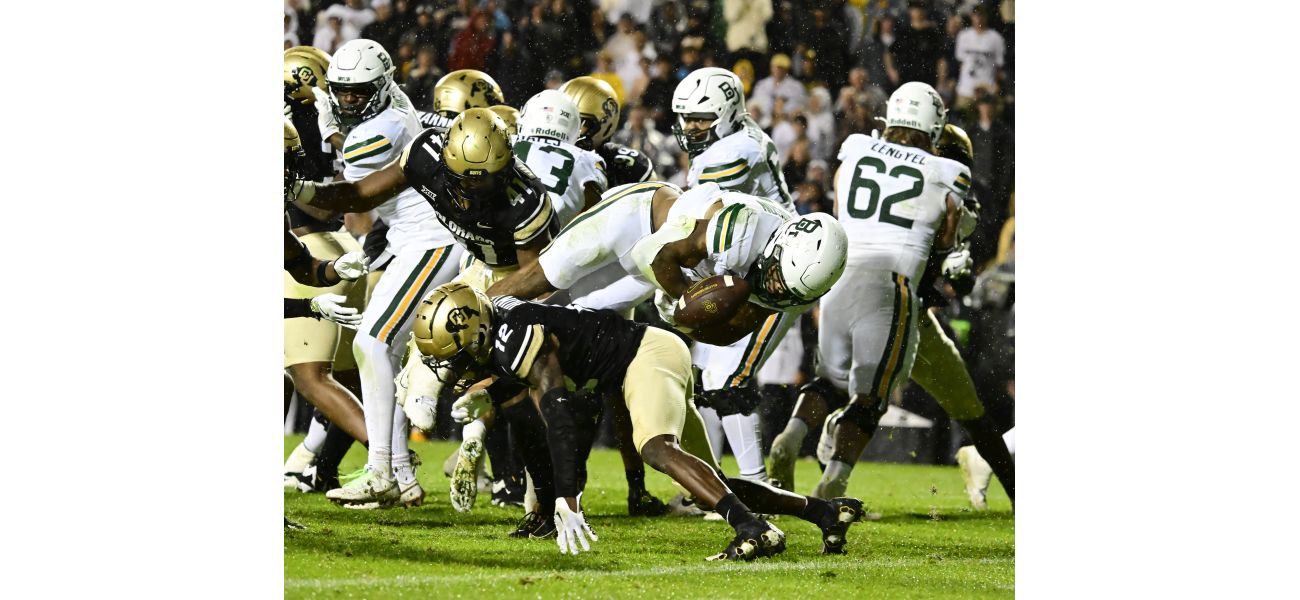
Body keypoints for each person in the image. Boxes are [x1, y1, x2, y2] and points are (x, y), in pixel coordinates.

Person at [414, 283, 868, 560]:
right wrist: (543, 507)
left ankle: (753, 529)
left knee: (656, 449)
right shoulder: (503, 332)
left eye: (452, 357)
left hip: (644, 356)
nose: (451, 369)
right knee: (709, 487)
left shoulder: (515, 335)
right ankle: (824, 512)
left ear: (473, 331)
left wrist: (568, 498)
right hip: (642, 358)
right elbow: (529, 417)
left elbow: (559, 414)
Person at [768, 123, 1014, 505]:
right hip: (902, 307)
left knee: (832, 383)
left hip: (849, 286)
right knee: (956, 409)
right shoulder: (941, 188)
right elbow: (954, 271)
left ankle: (810, 444)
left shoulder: (871, 164)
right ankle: (1016, 492)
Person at [287, 39, 464, 510]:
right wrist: (320, 98)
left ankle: (383, 469)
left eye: (356, 92)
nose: (348, 100)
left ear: (380, 87)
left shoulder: (380, 130)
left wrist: (297, 186)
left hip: (428, 240)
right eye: (341, 91)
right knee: (381, 351)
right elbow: (340, 119)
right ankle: (400, 475)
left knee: (371, 343)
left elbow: (353, 197)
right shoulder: (396, 101)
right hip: (414, 239)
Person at [801, 82, 965, 500]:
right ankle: (834, 478)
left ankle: (787, 442)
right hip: (892, 282)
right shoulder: (947, 172)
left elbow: (841, 210)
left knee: (827, 381)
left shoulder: (855, 149)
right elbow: (944, 243)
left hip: (840, 275)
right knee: (871, 396)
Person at [670, 67, 797, 483]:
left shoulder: (736, 150)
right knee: (707, 381)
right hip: (748, 271)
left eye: (702, 119)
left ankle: (757, 485)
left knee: (728, 380)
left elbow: (692, 217)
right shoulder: (738, 136)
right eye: (686, 118)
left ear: (727, 114)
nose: (691, 127)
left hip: (777, 277)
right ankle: (713, 484)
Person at [559, 77, 657, 187]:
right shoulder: (539, 153)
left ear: (606, 126)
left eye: (581, 124)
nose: (569, 131)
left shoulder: (624, 165)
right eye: (562, 121)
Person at [885, 2, 948, 90]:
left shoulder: (932, 33)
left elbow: (941, 59)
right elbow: (889, 53)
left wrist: (941, 81)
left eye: (919, 9)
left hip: (927, 81)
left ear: (925, 11)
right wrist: (891, 71)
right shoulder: (904, 32)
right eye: (914, 9)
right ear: (910, 11)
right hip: (905, 80)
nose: (917, 12)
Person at [953, 5, 1005, 110]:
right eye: (975, 15)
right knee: (962, 121)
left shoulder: (996, 38)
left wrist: (996, 84)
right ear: (972, 17)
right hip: (966, 89)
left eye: (981, 15)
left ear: (986, 17)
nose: (978, 18)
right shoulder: (963, 36)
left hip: (987, 89)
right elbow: (960, 62)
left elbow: (999, 65)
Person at [749, 54, 806, 122]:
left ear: (786, 69)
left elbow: (802, 106)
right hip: (764, 121)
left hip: (787, 122)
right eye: (775, 67)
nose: (778, 70)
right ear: (771, 67)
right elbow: (754, 102)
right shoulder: (762, 84)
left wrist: (784, 110)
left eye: (781, 68)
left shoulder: (796, 86)